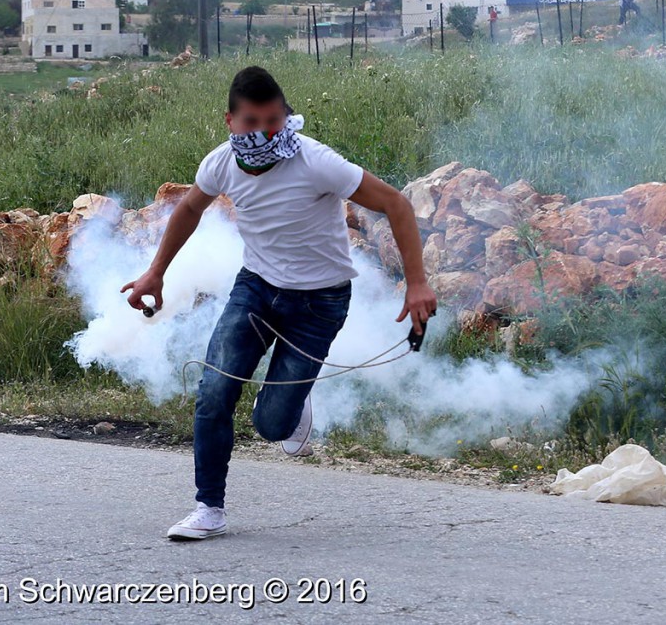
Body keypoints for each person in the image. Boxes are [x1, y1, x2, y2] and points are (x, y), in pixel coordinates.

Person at [121, 66, 438, 541]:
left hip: (320, 301)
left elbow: (395, 203)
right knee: (213, 392)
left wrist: (416, 283)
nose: (265, 133)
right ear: (231, 122)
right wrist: (155, 272)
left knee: (271, 426)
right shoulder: (220, 164)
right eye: (252, 122)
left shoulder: (316, 162)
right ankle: (209, 507)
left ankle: (292, 402)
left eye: (274, 121)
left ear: (286, 116)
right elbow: (189, 208)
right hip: (256, 289)